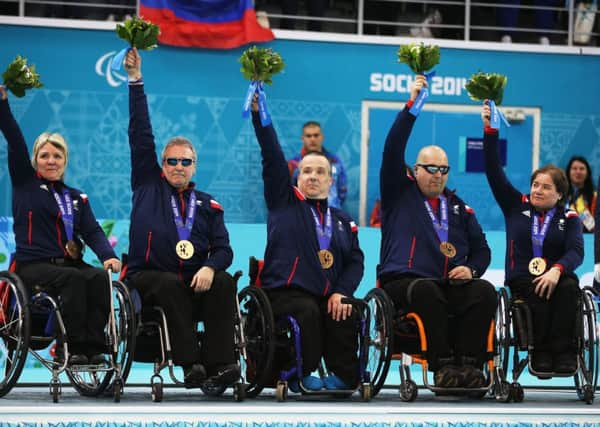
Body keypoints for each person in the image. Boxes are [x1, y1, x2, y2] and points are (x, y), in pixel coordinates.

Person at [124, 49, 239, 388]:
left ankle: (222, 364)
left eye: (185, 162)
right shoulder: (147, 184)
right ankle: (191, 365)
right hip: (149, 276)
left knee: (225, 282)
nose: (178, 167)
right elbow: (140, 133)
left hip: (195, 279)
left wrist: (209, 267)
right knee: (170, 284)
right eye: (172, 161)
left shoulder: (208, 204)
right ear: (162, 165)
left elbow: (224, 250)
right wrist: (135, 81)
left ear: (194, 166)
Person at [377, 75, 497, 389]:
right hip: (403, 282)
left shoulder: (458, 207)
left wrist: (471, 269)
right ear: (415, 170)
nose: (437, 175)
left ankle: (469, 367)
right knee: (426, 291)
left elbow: (482, 250)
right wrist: (412, 106)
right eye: (431, 169)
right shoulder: (398, 194)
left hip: (447, 284)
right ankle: (442, 366)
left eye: (443, 169)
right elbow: (392, 148)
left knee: (484, 291)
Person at [0, 85, 121, 366]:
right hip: (33, 265)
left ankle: (93, 346)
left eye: (57, 156)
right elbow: (15, 141)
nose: (51, 161)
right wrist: (3, 106)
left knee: (98, 277)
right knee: (75, 278)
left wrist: (108, 255)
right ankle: (71, 347)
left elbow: (91, 230)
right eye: (45, 156)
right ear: (35, 161)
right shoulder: (25, 184)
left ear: (65, 161)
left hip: (67, 265)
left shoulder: (76, 197)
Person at [251, 95, 364, 392]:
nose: (313, 177)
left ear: (330, 180)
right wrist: (261, 119)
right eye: (307, 171)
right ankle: (300, 372)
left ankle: (345, 377)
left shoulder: (342, 220)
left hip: (327, 294)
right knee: (309, 311)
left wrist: (341, 292)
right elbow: (272, 156)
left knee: (347, 308)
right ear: (297, 176)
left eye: (320, 172)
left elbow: (355, 261)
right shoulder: (283, 202)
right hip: (286, 292)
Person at [481, 101, 583, 373]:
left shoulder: (569, 218)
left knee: (569, 288)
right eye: (535, 184)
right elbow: (493, 171)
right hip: (522, 280)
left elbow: (575, 251)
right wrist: (489, 130)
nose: (538, 190)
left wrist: (556, 270)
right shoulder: (515, 205)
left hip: (557, 277)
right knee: (535, 293)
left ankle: (562, 352)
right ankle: (540, 351)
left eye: (546, 187)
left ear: (560, 194)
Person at [288, 121, 347, 209]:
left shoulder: (335, 161)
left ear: (322, 137)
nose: (312, 139)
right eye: (308, 136)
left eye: (316, 135)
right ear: (302, 138)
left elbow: (342, 190)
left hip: (332, 213)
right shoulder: (294, 164)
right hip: (303, 214)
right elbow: (288, 192)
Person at [565, 155, 596, 233]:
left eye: (582, 169)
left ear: (587, 172)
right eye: (574, 168)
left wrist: (581, 209)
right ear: (568, 172)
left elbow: (593, 226)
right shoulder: (561, 195)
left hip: (588, 238)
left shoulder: (595, 197)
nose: (578, 172)